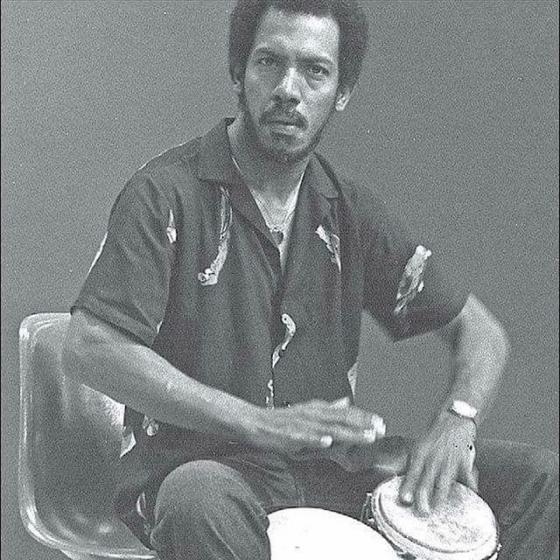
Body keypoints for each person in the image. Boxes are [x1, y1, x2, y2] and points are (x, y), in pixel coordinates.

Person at [62, 1, 558, 559]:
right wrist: (257, 423)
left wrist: (457, 421)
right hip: (205, 470)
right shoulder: (164, 193)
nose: (288, 89)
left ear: (342, 92)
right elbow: (91, 347)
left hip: (332, 476)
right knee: (197, 498)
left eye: (315, 71)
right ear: (238, 73)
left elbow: (482, 334)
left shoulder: (348, 210)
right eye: (269, 62)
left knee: (540, 481)